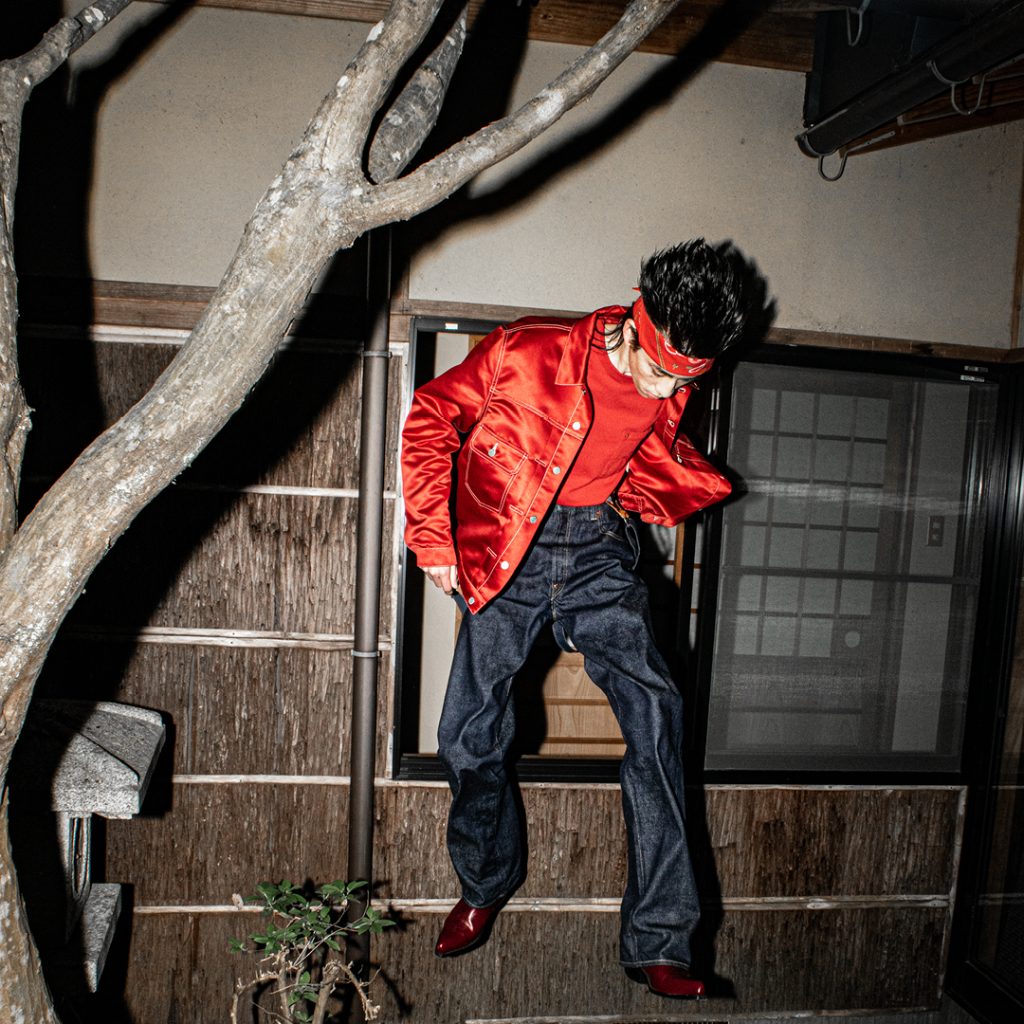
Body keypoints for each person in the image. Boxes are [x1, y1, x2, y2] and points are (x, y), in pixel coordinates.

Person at [400, 239, 747, 999]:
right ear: (638, 318)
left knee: (659, 716)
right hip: (511, 546)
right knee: (466, 734)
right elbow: (430, 416)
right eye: (660, 372)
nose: (667, 392)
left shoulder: (674, 382)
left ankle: (660, 941)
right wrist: (432, 535)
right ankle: (486, 880)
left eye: (684, 381)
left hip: (598, 551)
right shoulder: (526, 352)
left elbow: (644, 446)